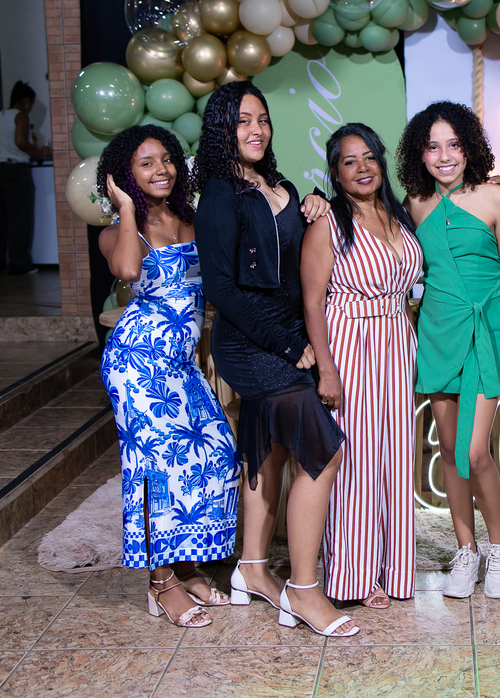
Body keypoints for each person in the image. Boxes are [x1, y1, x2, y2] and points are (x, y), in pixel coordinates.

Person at [193, 81, 358, 638]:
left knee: (268, 447)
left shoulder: (280, 185)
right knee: (322, 451)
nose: (256, 129)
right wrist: (289, 345)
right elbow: (221, 288)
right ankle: (303, 590)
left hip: (287, 335)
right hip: (250, 343)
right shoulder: (220, 194)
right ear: (222, 129)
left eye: (261, 118)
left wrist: (316, 203)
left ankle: (252, 568)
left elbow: (295, 256)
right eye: (242, 120)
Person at [98, 125, 241, 628]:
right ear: (124, 176)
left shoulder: (192, 219)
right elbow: (128, 271)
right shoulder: (118, 231)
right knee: (155, 471)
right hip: (137, 364)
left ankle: (186, 566)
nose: (161, 170)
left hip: (181, 364)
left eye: (166, 159)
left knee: (216, 453)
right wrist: (126, 207)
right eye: (146, 163)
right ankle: (160, 584)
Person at [396, 102, 500, 600]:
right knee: (449, 452)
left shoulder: (495, 197)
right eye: (433, 147)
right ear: (420, 154)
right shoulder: (414, 204)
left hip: (487, 332)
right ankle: (466, 550)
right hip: (437, 332)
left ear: (469, 148)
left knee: (474, 451)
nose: (444, 155)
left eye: (453, 144)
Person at [301, 124, 423, 609]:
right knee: (355, 461)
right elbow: (313, 302)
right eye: (349, 161)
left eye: (369, 157)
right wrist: (327, 369)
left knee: (396, 458)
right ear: (335, 173)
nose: (362, 168)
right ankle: (353, 576)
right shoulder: (328, 223)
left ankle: (394, 568)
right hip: (350, 343)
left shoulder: (400, 213)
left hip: (396, 342)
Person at [0, 80, 49, 275]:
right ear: (26, 102)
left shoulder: (1, 115)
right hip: (13, 170)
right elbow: (20, 142)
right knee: (19, 219)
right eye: (31, 104)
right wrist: (40, 152)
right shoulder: (21, 116)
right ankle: (19, 265)